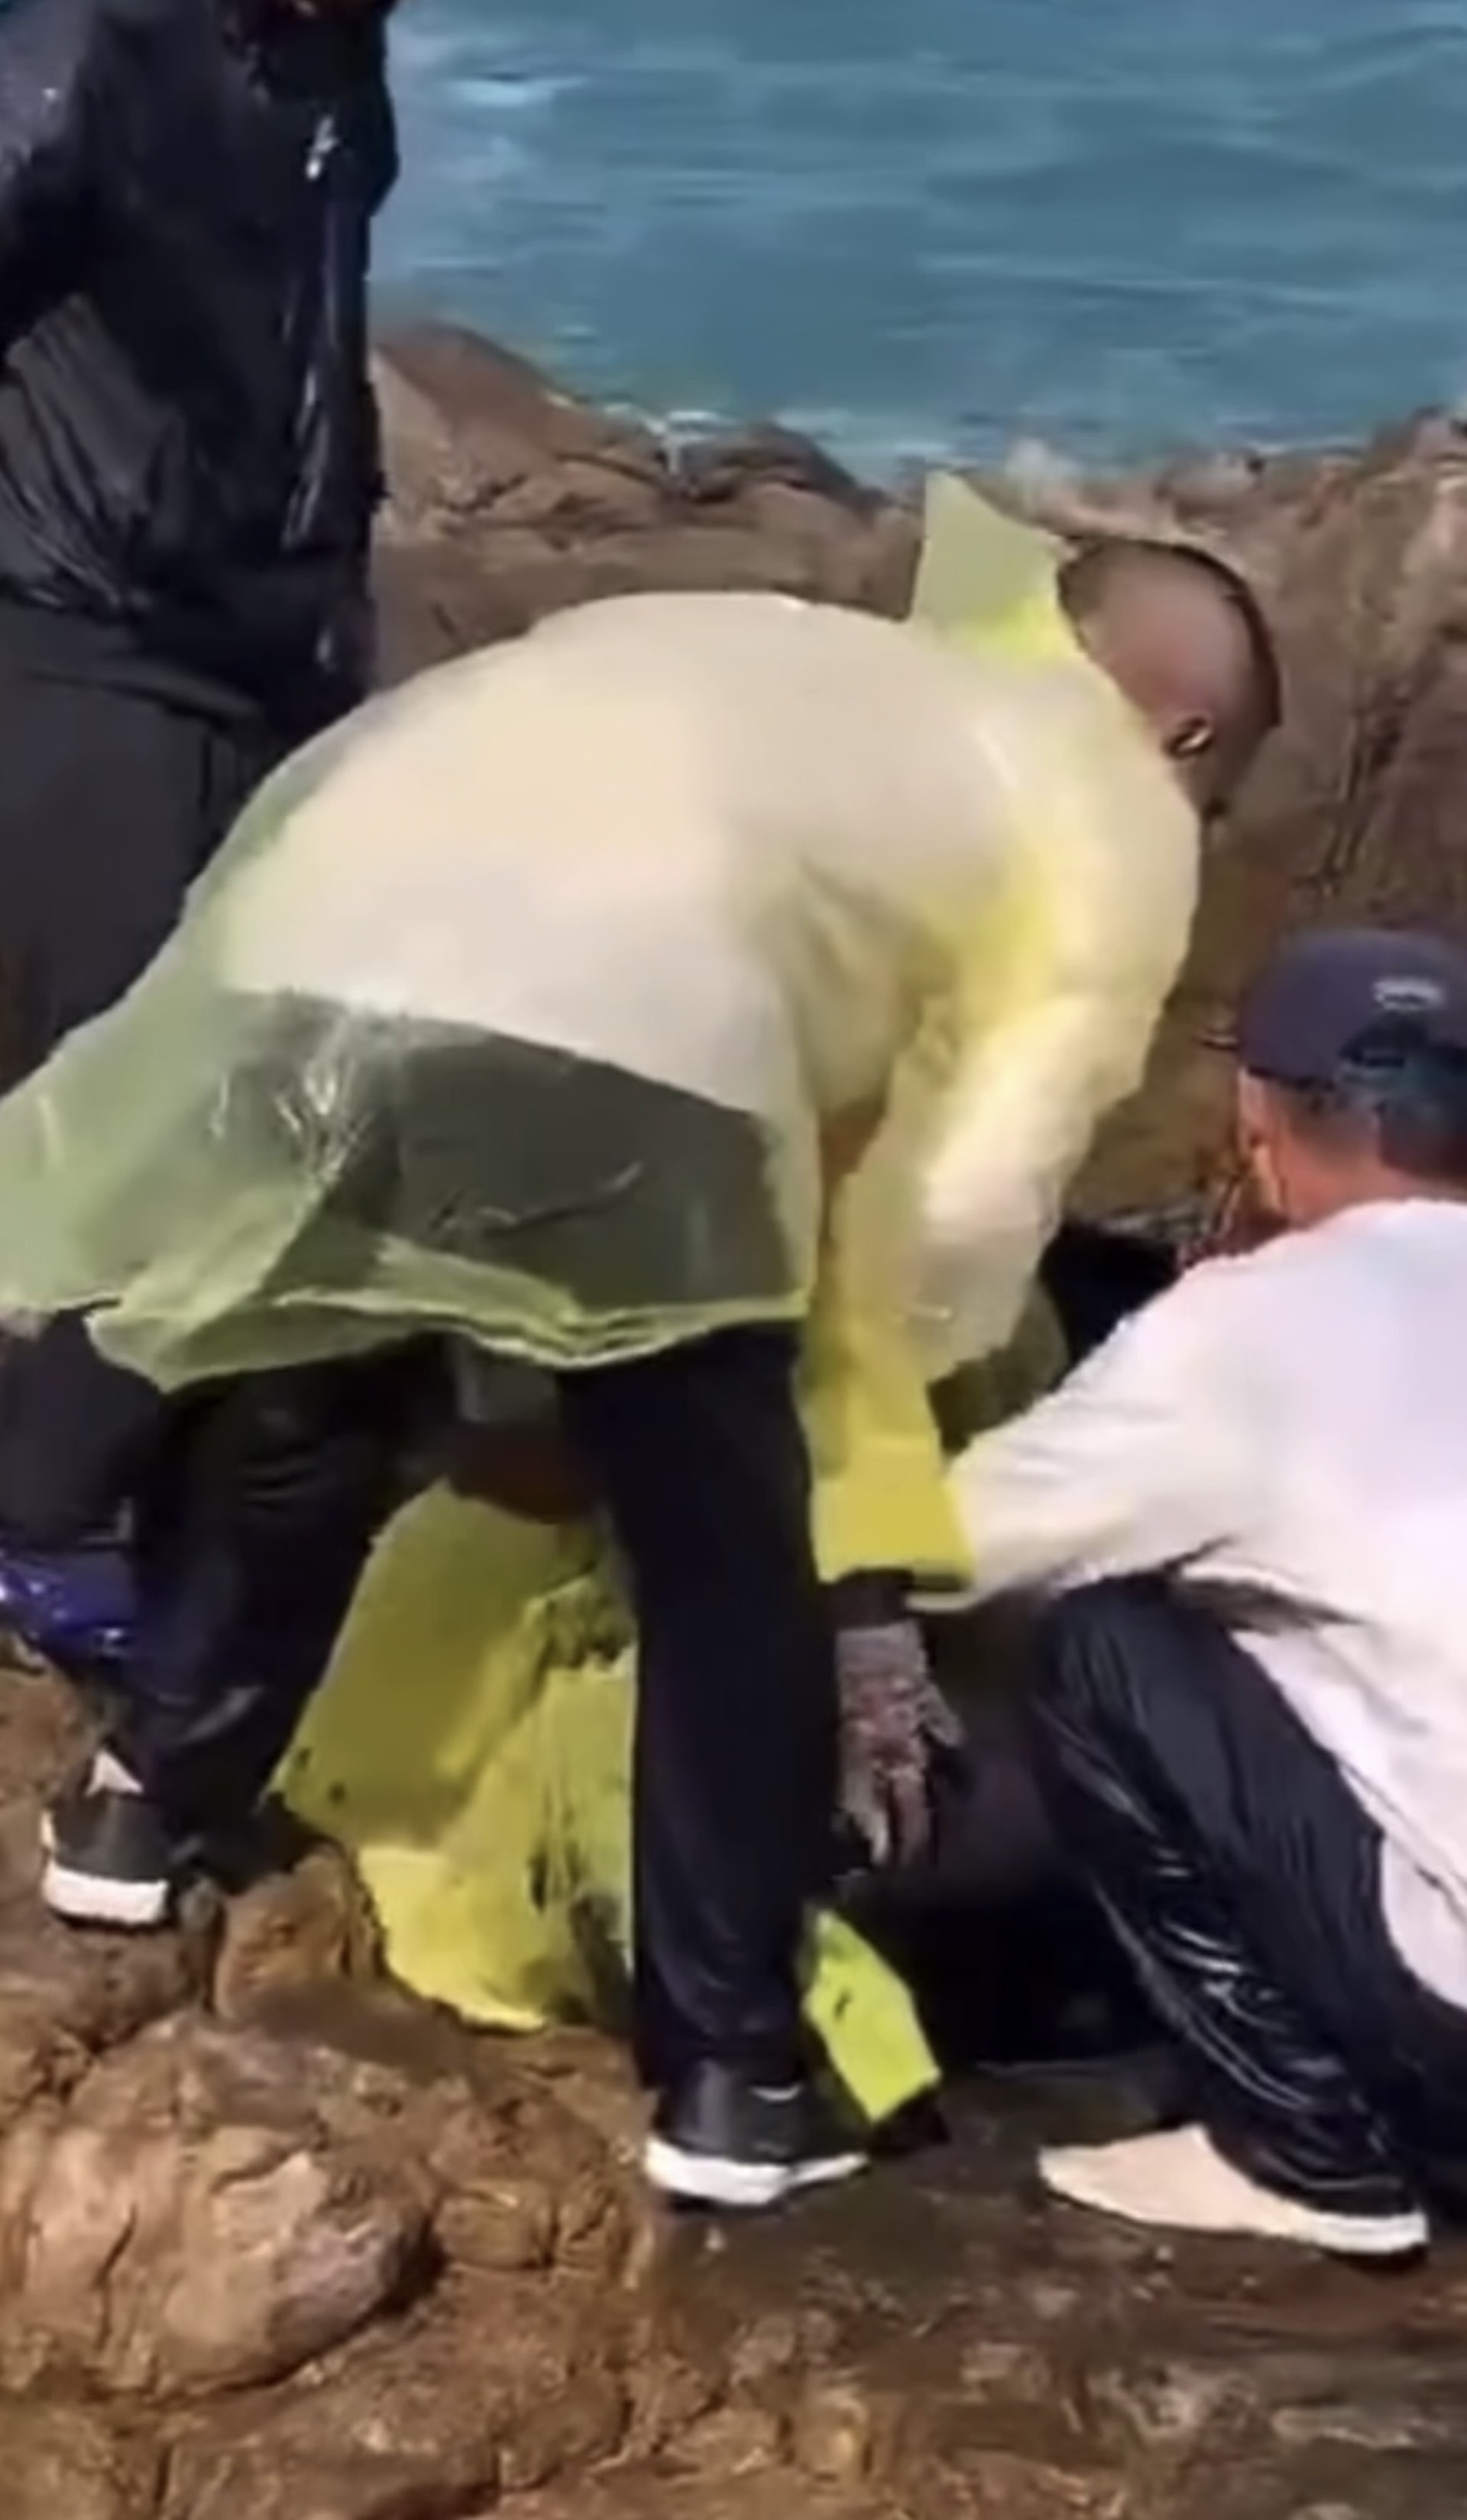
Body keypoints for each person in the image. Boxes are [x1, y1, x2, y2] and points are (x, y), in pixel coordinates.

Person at [0, 484, 1279, 2208]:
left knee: (320, 1373)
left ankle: (141, 1809)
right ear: (1179, 730)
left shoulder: (826, 664)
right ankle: (731, 2075)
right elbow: (918, 1255)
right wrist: (869, 1595)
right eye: (1217, 791)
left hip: (345, 904)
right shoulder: (1079, 814)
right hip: (633, 1023)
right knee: (726, 1551)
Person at [951, 924, 1467, 2260]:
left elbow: (945, 1545)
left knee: (1107, 1644)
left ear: (1256, 1119)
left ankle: (1309, 2153)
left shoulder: (1245, 1330)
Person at [0, 0, 398, 1650]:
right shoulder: (83, 43)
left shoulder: (333, 52)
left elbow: (305, 326)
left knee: (275, 1084)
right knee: (129, 1090)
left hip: (275, 639)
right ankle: (43, 1524)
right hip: (90, 628)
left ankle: (136, 1489)